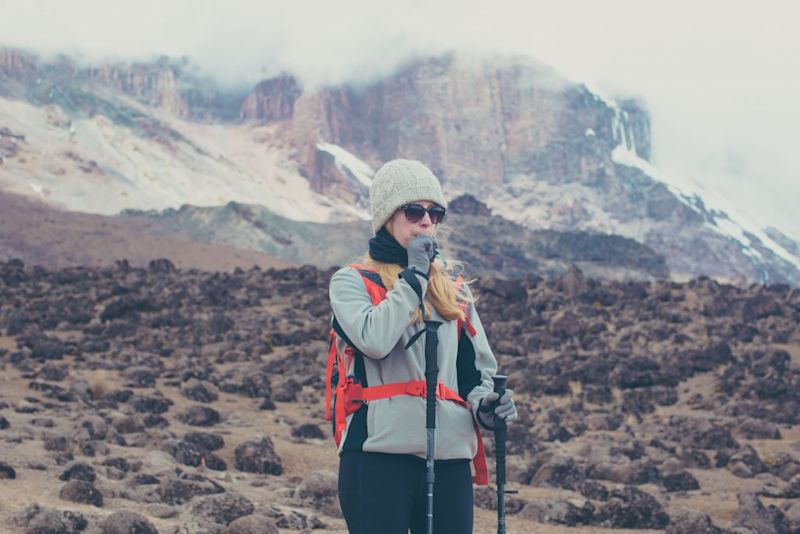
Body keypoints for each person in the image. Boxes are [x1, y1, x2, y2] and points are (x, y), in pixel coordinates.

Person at [328, 159, 517, 534]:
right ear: (387, 215)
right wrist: (414, 277)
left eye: (435, 213)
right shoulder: (350, 282)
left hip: (449, 460)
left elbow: (475, 373)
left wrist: (487, 406)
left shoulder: (455, 291)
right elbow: (374, 340)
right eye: (414, 211)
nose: (426, 222)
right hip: (377, 457)